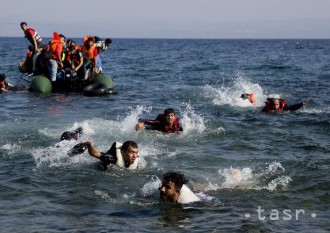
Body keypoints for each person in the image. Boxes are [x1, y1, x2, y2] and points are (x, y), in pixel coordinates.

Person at [74, 140, 139, 170]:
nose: (134, 156)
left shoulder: (136, 158)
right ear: (123, 152)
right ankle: (83, 144)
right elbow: (94, 154)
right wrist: (89, 145)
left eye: (136, 153)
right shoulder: (112, 158)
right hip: (100, 167)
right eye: (131, 152)